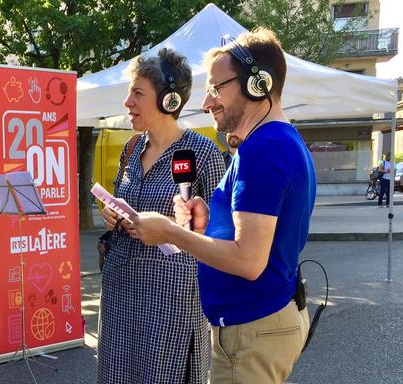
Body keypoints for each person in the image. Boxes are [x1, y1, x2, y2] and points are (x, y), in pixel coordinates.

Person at [125, 29, 313, 383]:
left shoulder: (263, 149)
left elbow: (248, 260)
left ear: (258, 84)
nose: (208, 102)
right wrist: (208, 223)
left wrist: (171, 233)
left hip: (252, 330)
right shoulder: (279, 141)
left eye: (216, 88)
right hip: (259, 325)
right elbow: (262, 235)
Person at [96, 47, 226, 384]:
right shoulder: (131, 148)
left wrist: (175, 229)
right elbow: (119, 199)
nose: (128, 102)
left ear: (169, 101)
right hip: (121, 292)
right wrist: (112, 215)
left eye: (138, 93)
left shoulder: (203, 153)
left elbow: (220, 235)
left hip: (171, 302)